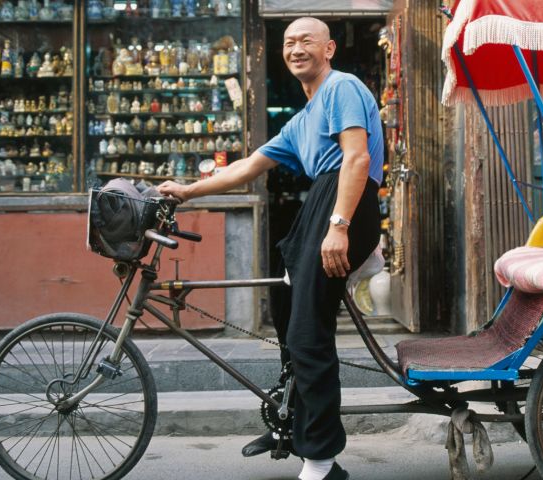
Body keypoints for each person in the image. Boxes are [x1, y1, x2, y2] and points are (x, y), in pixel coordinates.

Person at [157, 17, 383, 480]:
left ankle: (321, 459)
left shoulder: (343, 87)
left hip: (344, 201)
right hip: (321, 202)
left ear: (330, 49)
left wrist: (338, 226)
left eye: (306, 41)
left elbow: (356, 158)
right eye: (289, 43)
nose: (296, 48)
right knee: (285, 311)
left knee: (307, 333)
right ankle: (292, 424)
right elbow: (245, 168)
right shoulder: (302, 119)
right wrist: (185, 191)